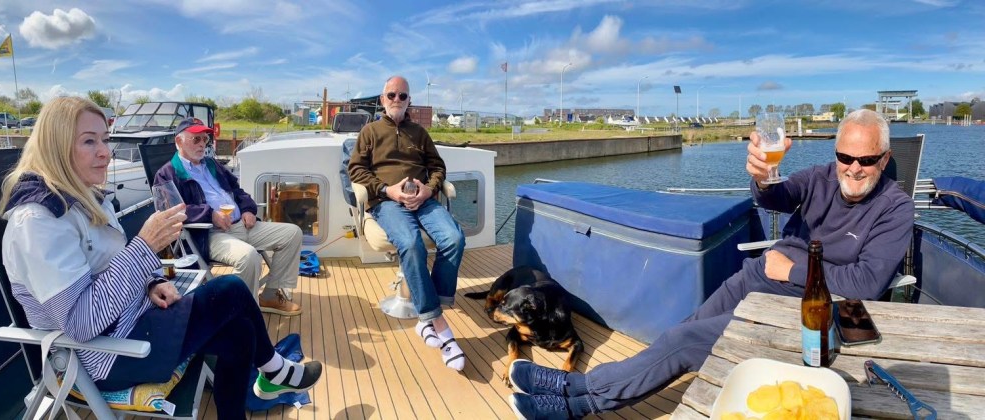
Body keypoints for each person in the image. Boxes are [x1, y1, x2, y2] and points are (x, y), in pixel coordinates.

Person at [507, 109, 915, 418]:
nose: (853, 168)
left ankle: (577, 399)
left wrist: (790, 271)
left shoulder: (895, 208)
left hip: (806, 308)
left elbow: (867, 283)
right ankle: (577, 390)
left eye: (866, 160)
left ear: (885, 159)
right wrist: (763, 176)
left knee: (684, 343)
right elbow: (774, 198)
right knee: (681, 330)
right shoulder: (821, 176)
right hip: (759, 276)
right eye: (845, 156)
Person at [0, 97, 322, 419]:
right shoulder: (39, 223)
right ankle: (275, 371)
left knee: (240, 333)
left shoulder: (84, 198)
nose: (105, 152)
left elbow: (109, 265)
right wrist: (145, 245)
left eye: (105, 139)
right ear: (56, 147)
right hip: (106, 355)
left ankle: (263, 382)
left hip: (135, 320)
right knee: (230, 290)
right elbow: (81, 324)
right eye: (89, 141)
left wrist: (151, 283)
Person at [348, 75, 468, 371]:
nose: (397, 100)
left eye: (402, 96)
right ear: (382, 99)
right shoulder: (370, 132)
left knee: (454, 238)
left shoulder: (420, 132)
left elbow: (437, 167)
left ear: (409, 100)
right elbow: (356, 170)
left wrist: (429, 189)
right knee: (412, 244)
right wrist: (386, 190)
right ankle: (437, 323)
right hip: (387, 202)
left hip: (423, 199)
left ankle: (430, 310)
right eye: (392, 95)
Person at [154, 117, 304, 315]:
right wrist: (210, 215)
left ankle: (269, 296)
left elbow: (236, 189)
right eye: (196, 139)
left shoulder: (211, 164)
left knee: (292, 234)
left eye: (205, 139)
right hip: (209, 234)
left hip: (241, 224)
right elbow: (171, 212)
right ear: (179, 141)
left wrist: (248, 209)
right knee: (248, 256)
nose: (202, 144)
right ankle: (240, 315)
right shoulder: (167, 173)